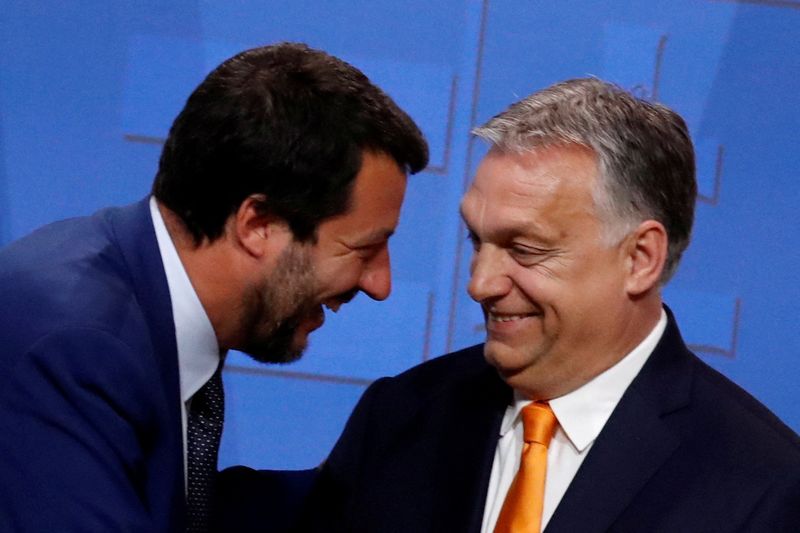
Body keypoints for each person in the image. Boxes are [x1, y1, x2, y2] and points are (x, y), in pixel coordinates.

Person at [297, 78, 800, 532]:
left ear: (640, 258)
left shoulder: (765, 486)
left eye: (524, 250)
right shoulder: (400, 418)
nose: (480, 284)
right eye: (478, 242)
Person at [0, 42, 427, 532]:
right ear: (258, 224)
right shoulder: (72, 344)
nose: (380, 284)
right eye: (363, 249)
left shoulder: (142, 305)